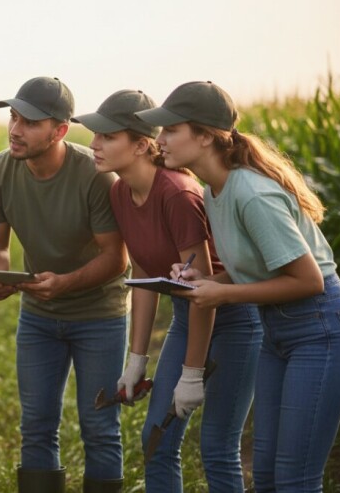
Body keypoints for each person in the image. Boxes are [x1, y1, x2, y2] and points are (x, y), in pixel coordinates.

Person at [135, 81, 340, 492]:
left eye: (170, 130)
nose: (160, 141)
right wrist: (207, 279)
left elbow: (308, 279)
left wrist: (223, 293)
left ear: (206, 135)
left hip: (319, 330)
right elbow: (263, 268)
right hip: (277, 334)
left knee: (295, 479)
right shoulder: (216, 189)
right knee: (264, 476)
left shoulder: (251, 193)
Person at [72, 89, 262, 492]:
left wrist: (191, 374)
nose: (94, 144)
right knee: (156, 439)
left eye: (106, 136)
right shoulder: (120, 191)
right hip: (184, 316)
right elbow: (143, 272)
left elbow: (204, 287)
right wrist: (136, 360)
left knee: (217, 447)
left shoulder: (177, 193)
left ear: (142, 145)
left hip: (231, 318)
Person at [0, 76, 130, 493]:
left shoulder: (95, 176)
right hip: (39, 317)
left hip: (99, 317)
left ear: (60, 130)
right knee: (36, 425)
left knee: (99, 426)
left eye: (29, 121)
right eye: (13, 117)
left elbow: (116, 258)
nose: (15, 129)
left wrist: (65, 283)